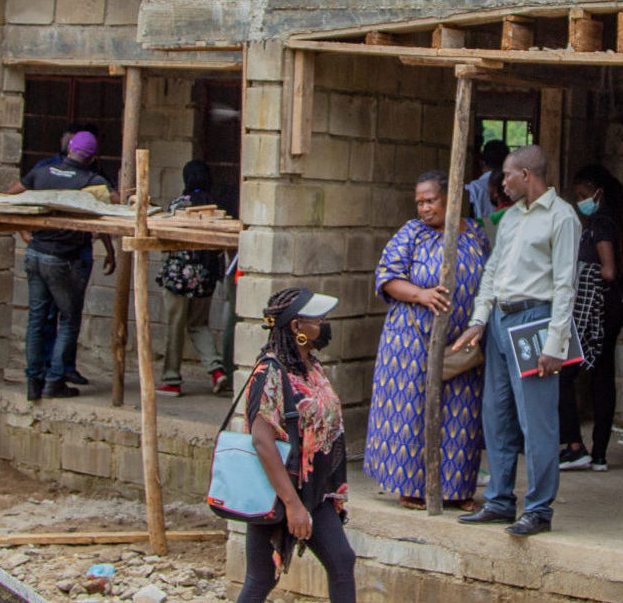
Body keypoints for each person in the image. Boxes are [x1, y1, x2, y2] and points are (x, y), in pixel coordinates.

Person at [449, 145, 579, 537]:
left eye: (507, 175)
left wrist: (556, 344)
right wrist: (478, 320)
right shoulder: (510, 218)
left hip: (536, 320)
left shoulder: (562, 218)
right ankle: (501, 500)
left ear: (527, 174)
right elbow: (492, 271)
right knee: (497, 413)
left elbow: (565, 284)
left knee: (535, 419)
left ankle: (539, 508)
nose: (501, 182)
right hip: (502, 322)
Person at [364, 171, 489, 511]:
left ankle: (459, 490)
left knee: (462, 412)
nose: (423, 208)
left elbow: (489, 279)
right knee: (412, 409)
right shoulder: (412, 233)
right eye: (419, 202)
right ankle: (411, 487)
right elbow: (387, 277)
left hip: (462, 340)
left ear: (450, 199)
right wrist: (421, 294)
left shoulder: (474, 233)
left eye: (429, 200)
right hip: (411, 339)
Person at [234, 287, 356, 603]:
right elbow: (262, 442)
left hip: (315, 491)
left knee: (342, 561)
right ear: (296, 327)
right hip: (278, 493)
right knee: (262, 579)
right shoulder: (270, 372)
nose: (325, 325)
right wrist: (292, 505)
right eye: (318, 320)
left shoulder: (310, 366)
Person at [7, 130, 116, 401]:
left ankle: (34, 382)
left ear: (68, 149)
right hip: (64, 259)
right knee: (68, 320)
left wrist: (23, 229)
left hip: (35, 253)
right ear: (93, 158)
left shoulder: (42, 171)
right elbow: (108, 213)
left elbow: (11, 197)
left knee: (36, 319)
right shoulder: (93, 182)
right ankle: (55, 381)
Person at [556, 166, 623, 472]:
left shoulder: (600, 223)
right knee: (602, 377)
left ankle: (575, 445)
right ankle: (599, 453)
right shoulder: (617, 219)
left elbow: (609, 270)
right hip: (612, 308)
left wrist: (578, 272)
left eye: (583, 196)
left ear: (597, 193)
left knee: (563, 373)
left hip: (595, 310)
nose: (580, 202)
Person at [156, 161, 240, 396]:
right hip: (206, 277)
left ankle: (171, 379)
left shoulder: (179, 205)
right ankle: (216, 372)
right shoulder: (216, 207)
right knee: (198, 325)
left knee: (176, 326)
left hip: (178, 278)